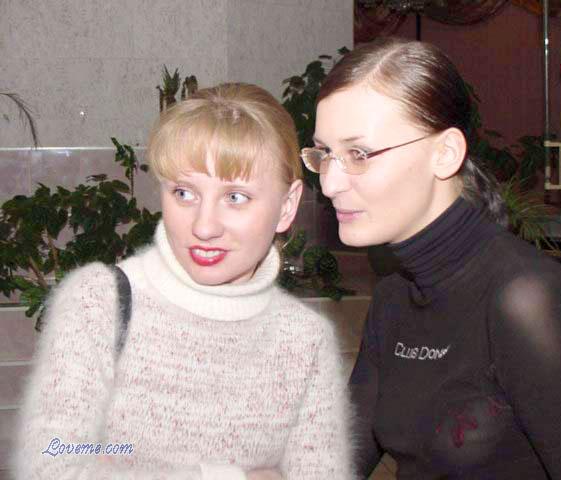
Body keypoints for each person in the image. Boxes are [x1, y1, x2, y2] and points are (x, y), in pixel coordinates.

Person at [302, 37, 561, 479]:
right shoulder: (394, 298)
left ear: (446, 154)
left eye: (358, 154)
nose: (329, 183)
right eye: (324, 154)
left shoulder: (527, 298)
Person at [13, 83, 353, 480]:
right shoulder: (100, 303)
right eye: (184, 193)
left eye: (235, 197)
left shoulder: (305, 341)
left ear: (287, 206)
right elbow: (51, 462)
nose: (204, 227)